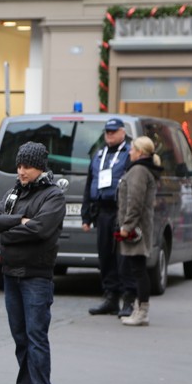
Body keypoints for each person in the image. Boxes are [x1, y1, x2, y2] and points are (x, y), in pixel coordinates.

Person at [0, 142, 65, 384]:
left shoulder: (53, 196)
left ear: (39, 167)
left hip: (36, 275)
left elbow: (41, 230)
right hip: (11, 273)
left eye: (27, 166)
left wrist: (7, 231)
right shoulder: (13, 192)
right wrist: (19, 221)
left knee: (36, 335)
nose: (21, 171)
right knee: (20, 335)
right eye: (19, 165)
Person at [81, 117, 136, 317]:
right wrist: (85, 215)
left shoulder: (130, 153)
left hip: (121, 211)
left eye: (113, 132)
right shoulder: (98, 154)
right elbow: (89, 185)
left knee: (124, 257)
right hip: (102, 211)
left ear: (123, 132)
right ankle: (111, 297)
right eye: (107, 132)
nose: (110, 135)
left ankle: (129, 299)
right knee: (105, 256)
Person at [117, 136, 162, 327]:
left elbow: (134, 202)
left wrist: (127, 227)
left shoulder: (138, 171)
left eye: (132, 149)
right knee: (138, 269)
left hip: (136, 229)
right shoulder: (143, 169)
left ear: (141, 152)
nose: (129, 152)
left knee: (138, 270)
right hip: (140, 226)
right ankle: (139, 309)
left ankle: (141, 311)